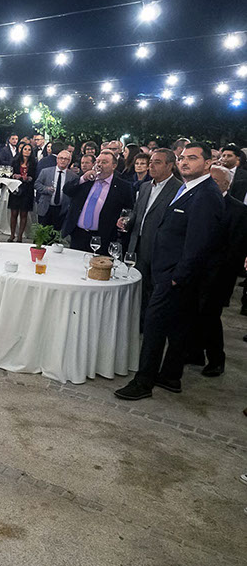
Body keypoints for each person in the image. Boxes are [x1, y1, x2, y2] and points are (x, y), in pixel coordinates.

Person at [115, 143, 224, 400]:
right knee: (178, 326)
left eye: (192, 158)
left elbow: (200, 242)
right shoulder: (190, 188)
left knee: (154, 326)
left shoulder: (206, 194)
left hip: (174, 274)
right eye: (183, 157)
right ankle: (171, 376)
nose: (185, 162)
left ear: (208, 163)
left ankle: (143, 382)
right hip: (169, 269)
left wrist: (178, 276)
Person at [184, 166, 247, 376]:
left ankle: (216, 359)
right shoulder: (198, 200)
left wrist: (218, 272)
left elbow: (236, 249)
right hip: (195, 269)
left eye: (215, 181)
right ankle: (194, 353)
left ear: (227, 184)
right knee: (192, 313)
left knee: (210, 317)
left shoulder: (238, 210)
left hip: (219, 275)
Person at [120, 148, 181, 325]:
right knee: (138, 287)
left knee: (154, 292)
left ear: (170, 165)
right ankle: (137, 323)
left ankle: (151, 325)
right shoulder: (145, 186)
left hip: (159, 249)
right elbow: (137, 212)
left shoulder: (179, 189)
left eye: (157, 162)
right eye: (151, 162)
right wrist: (127, 220)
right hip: (137, 244)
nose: (151, 166)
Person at [62, 150, 133, 255]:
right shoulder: (86, 180)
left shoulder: (123, 187)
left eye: (104, 162)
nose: (99, 165)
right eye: (98, 161)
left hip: (102, 237)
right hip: (77, 234)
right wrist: (82, 178)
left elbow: (129, 209)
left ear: (114, 166)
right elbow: (67, 190)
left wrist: (123, 219)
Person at [34, 149, 75, 230]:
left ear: (69, 161)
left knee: (56, 233)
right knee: (42, 233)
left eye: (66, 159)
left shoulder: (73, 176)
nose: (63, 160)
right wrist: (46, 189)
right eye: (61, 158)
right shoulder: (45, 171)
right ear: (57, 159)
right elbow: (37, 184)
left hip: (61, 210)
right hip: (45, 207)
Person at [8, 141, 37, 242]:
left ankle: (20, 236)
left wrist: (29, 178)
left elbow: (35, 177)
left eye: (29, 150)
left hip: (27, 191)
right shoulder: (15, 161)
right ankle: (12, 235)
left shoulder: (34, 163)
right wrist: (15, 176)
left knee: (24, 214)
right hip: (15, 189)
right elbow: (9, 173)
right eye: (25, 149)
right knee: (13, 213)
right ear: (21, 150)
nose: (27, 151)